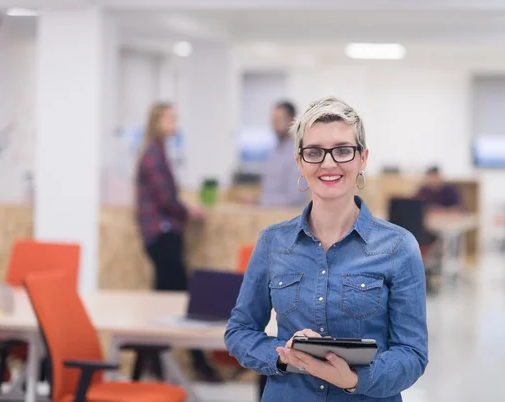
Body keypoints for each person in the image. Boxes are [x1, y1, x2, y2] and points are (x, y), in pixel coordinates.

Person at [225, 96, 428, 401]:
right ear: (300, 161)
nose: (329, 163)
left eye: (343, 151)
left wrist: (353, 379)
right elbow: (239, 331)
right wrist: (283, 354)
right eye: (315, 152)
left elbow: (412, 353)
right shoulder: (272, 242)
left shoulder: (399, 247)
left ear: (362, 158)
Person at [135, 102, 221, 382]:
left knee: (169, 300)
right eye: (170, 118)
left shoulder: (159, 153)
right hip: (161, 235)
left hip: (164, 234)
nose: (175, 122)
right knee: (182, 301)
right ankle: (193, 363)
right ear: (157, 121)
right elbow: (165, 199)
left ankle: (154, 363)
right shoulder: (152, 156)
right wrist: (188, 210)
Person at [249, 101, 309, 207]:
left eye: (279, 120)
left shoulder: (297, 153)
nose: (274, 124)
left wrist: (260, 201)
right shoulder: (273, 151)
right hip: (267, 214)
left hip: (286, 217)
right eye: (273, 120)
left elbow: (295, 198)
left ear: (292, 120)